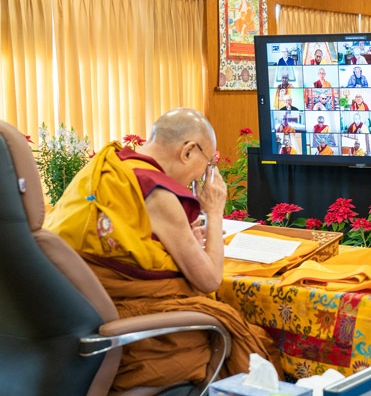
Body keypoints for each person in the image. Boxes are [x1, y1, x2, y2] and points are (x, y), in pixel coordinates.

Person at [43, 108, 282, 391]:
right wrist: (214, 211)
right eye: (206, 166)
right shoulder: (157, 191)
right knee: (243, 340)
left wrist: (176, 239)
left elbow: (123, 242)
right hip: (137, 341)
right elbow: (209, 280)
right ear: (189, 151)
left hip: (73, 329)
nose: (199, 179)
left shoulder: (108, 167)